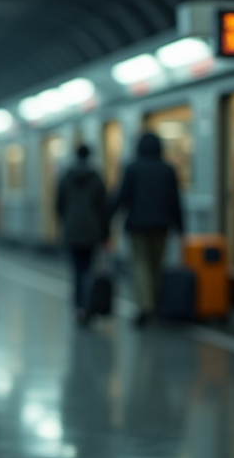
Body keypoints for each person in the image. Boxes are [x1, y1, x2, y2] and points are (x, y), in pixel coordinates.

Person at [109, 131, 184, 327]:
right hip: (162, 225)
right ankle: (156, 306)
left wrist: (108, 217)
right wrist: (181, 227)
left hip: (137, 226)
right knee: (156, 266)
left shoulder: (132, 168)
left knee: (140, 265)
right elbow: (175, 201)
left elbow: (122, 196)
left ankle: (145, 308)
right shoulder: (168, 169)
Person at [56, 144, 109, 321]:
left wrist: (67, 222)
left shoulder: (66, 177)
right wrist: (105, 233)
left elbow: (59, 205)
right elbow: (103, 208)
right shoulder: (96, 179)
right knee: (89, 268)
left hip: (72, 230)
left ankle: (78, 307)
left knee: (76, 270)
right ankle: (88, 305)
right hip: (92, 231)